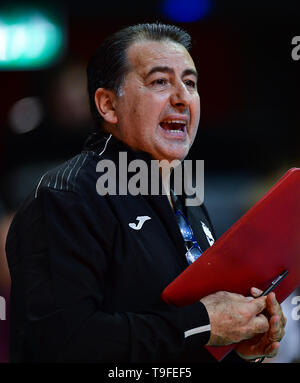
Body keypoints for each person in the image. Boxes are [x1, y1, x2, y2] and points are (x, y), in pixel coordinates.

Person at [5, 23, 286, 363]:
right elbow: (60, 343)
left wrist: (236, 341)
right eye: (160, 82)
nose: (182, 97)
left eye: (191, 83)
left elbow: (183, 335)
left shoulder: (183, 193)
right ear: (108, 105)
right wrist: (201, 324)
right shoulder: (64, 197)